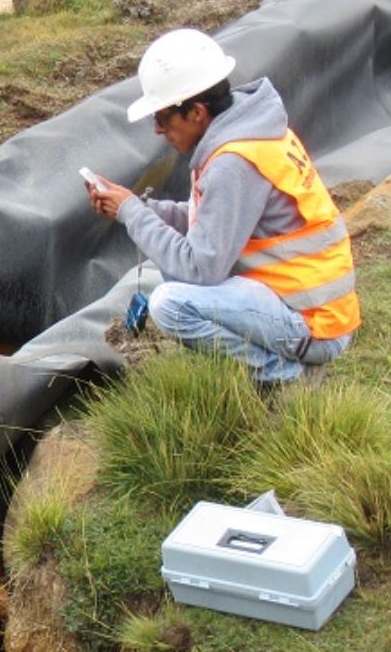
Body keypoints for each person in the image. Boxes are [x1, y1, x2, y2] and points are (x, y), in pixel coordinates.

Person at [85, 27, 359, 386]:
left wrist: (131, 213)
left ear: (196, 112)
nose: (157, 129)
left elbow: (200, 268)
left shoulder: (235, 162)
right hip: (312, 311)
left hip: (311, 324)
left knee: (171, 304)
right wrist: (139, 206)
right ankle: (283, 367)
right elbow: (208, 222)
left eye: (163, 116)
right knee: (172, 273)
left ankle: (285, 376)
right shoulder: (248, 134)